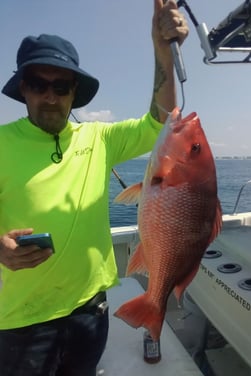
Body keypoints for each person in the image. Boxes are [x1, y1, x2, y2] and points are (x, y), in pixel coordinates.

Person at [0, 0, 188, 375]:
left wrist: (161, 50)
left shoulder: (100, 139)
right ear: (23, 88)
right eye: (38, 84)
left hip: (90, 310)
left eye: (61, 86)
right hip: (21, 319)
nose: (50, 96)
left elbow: (163, 120)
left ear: (74, 92)